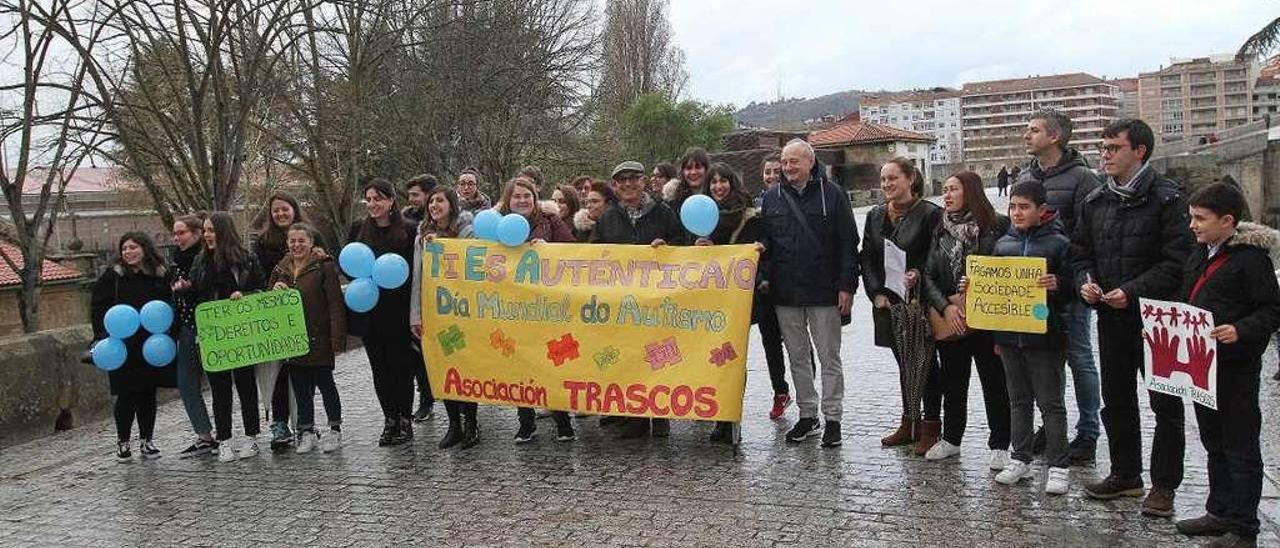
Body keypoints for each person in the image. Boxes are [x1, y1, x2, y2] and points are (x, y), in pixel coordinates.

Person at [1074, 118, 1193, 516]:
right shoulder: (1096, 201)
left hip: (1160, 320)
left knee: (1166, 405)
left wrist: (1134, 291)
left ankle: (1164, 486)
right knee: (1117, 399)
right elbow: (1081, 253)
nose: (1105, 154)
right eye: (1103, 147)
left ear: (1139, 150)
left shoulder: (1169, 199)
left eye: (1114, 147)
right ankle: (1126, 474)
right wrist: (1086, 282)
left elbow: (1179, 262)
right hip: (1112, 317)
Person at [1173, 183, 1280, 548]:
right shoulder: (1200, 252)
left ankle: (1244, 528)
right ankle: (1219, 510)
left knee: (1240, 447)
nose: (1193, 226)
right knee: (1214, 441)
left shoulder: (1252, 260)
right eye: (1192, 217)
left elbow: (1271, 311)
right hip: (1204, 367)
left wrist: (1239, 329)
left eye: (1200, 219)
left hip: (1236, 368)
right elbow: (1187, 297)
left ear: (1228, 221)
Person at [760, 139, 860, 448]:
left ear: (810, 163)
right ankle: (808, 415)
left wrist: (847, 286)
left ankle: (833, 418)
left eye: (794, 162)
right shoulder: (771, 198)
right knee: (798, 357)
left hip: (824, 290)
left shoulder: (833, 195)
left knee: (829, 357)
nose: (788, 167)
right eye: (785, 162)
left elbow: (848, 243)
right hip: (786, 293)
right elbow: (766, 245)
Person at [1019, 108, 1103, 465]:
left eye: (1034, 130)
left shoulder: (1084, 179)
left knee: (1079, 358)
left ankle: (1087, 433)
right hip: (1033, 290)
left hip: (1068, 287)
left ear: (1054, 137)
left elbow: (1092, 236)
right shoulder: (1026, 174)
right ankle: (1051, 425)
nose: (1026, 135)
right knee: (1043, 362)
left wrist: (1075, 281)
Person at [984, 180, 1074, 495]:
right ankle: (1019, 457)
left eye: (1024, 207)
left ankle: (1059, 464)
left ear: (1042, 210)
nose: (1017, 213)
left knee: (1051, 403)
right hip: (1009, 336)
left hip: (1046, 337)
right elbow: (992, 289)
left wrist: (1059, 284)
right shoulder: (1002, 244)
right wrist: (974, 286)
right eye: (1013, 207)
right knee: (1018, 400)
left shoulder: (1059, 244)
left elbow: (1076, 288)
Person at [590, 160, 687, 438]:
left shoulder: (663, 212)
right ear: (615, 186)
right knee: (628, 357)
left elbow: (681, 243)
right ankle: (634, 416)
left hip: (656, 303)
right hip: (623, 304)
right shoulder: (608, 217)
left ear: (643, 181)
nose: (628, 184)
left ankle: (660, 415)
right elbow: (594, 253)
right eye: (622, 180)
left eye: (633, 178)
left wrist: (667, 249)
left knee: (657, 357)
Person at [920, 171, 1011, 467]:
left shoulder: (996, 225)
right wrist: (945, 307)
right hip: (953, 316)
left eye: (953, 189)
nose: (946, 195)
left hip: (986, 319)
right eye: (944, 189)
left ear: (970, 191)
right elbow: (929, 274)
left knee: (994, 382)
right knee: (953, 382)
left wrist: (980, 287)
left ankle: (1000, 443)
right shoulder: (940, 227)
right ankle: (952, 438)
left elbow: (1006, 270)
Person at [862, 157, 944, 455]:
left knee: (926, 365)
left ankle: (932, 425)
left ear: (910, 179)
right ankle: (910, 422)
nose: (887, 184)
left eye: (893, 178)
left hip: (919, 302)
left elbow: (937, 256)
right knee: (903, 363)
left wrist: (919, 273)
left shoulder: (931, 214)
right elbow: (868, 258)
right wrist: (875, 293)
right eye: (883, 179)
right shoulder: (874, 215)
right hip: (889, 302)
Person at [497, 177, 577, 443]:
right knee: (520, 365)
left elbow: (573, 252)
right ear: (508, 200)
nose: (522, 200)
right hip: (514, 309)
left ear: (534, 199)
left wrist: (549, 250)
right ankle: (526, 422)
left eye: (526, 196)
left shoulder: (550, 221)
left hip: (548, 309)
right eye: (516, 196)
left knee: (553, 364)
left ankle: (563, 421)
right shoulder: (496, 226)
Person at [91, 232, 175, 462]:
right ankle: (123, 441)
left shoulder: (159, 274)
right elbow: (98, 306)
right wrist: (101, 334)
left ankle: (147, 440)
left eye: (133, 247)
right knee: (126, 394)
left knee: (148, 393)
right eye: (124, 248)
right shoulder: (113, 276)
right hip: (121, 345)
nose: (128, 252)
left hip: (151, 344)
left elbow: (169, 303)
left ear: (145, 249)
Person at [190, 212, 266, 462]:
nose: (207, 235)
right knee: (220, 389)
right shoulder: (200, 262)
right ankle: (224, 439)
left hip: (241, 332)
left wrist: (244, 295)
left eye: (211, 230)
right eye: (205, 230)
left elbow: (260, 290)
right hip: (214, 335)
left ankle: (251, 436)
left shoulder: (245, 259)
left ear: (224, 231)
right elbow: (197, 297)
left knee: (246, 386)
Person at [348, 178, 418, 446]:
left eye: (378, 198)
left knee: (401, 368)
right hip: (369, 312)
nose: (373, 204)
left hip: (398, 311)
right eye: (369, 199)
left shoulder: (409, 231)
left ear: (391, 200)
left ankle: (404, 420)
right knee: (380, 370)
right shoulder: (358, 229)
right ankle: (389, 418)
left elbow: (417, 270)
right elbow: (348, 264)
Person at [695, 163, 762, 443]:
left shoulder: (749, 216)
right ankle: (717, 415)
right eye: (713, 182)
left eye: (723, 181)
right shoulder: (699, 215)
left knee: (731, 360)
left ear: (733, 184)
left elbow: (755, 249)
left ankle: (730, 416)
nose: (718, 186)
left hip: (735, 303)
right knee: (709, 360)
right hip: (706, 302)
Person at [409, 185, 480, 449]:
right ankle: (454, 425)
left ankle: (471, 423)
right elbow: (418, 276)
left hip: (463, 310)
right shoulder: (422, 236)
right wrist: (415, 315)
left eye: (440, 201)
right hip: (436, 312)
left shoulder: (467, 232)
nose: (434, 206)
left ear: (452, 204)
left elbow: (473, 263)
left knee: (466, 367)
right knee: (444, 368)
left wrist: (447, 247)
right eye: (431, 202)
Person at [269, 223, 347, 454]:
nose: (297, 245)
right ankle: (307, 431)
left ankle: (335, 429)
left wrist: (337, 338)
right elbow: (267, 300)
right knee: (301, 389)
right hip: (293, 340)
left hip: (319, 336)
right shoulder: (280, 268)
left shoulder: (323, 267)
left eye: (301, 240)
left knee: (326, 385)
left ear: (311, 243)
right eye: (292, 241)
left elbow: (335, 303)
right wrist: (275, 289)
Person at [250, 191, 304, 452]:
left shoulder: (310, 236)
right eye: (276, 211)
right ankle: (280, 423)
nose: (281, 214)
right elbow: (257, 277)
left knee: (305, 371)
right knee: (278, 373)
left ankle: (306, 420)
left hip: (304, 313)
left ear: (294, 209)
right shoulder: (262, 243)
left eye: (285, 209)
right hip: (275, 317)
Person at [752, 153, 797, 419]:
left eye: (776, 172)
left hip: (789, 283)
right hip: (764, 287)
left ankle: (805, 389)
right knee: (771, 343)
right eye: (767, 172)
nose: (771, 176)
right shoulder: (754, 206)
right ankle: (780, 391)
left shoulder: (793, 202)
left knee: (796, 339)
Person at [169, 214, 216, 458]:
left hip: (211, 328)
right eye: (175, 234)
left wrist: (190, 290)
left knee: (220, 384)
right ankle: (204, 434)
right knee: (186, 383)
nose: (177, 238)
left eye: (182, 233)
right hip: (187, 328)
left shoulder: (208, 258)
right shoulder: (175, 262)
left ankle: (227, 433)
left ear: (196, 233)